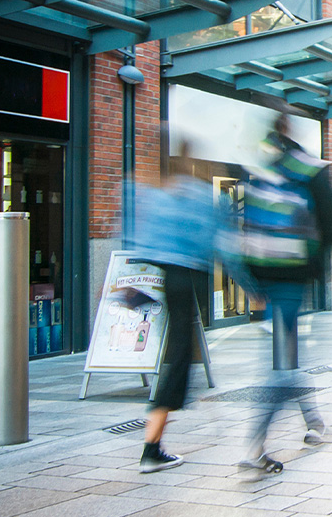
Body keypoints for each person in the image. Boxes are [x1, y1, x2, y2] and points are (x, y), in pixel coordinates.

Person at [239, 113, 332, 474]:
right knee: (282, 364)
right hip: (292, 277)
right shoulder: (309, 169)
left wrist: (252, 281)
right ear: (293, 131)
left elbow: (248, 225)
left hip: (265, 276)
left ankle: (315, 423)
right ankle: (255, 447)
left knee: (288, 352)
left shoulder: (264, 170)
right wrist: (331, 268)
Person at [131, 142, 222, 473]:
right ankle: (151, 448)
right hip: (186, 280)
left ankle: (154, 444)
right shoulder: (199, 196)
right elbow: (218, 242)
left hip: (167, 280)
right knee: (179, 360)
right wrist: (249, 284)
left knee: (180, 357)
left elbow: (143, 240)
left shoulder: (160, 195)